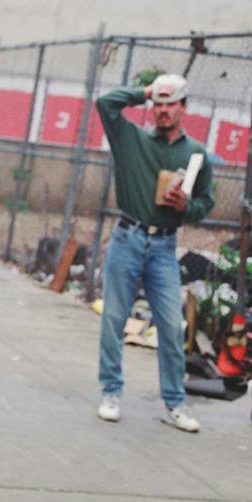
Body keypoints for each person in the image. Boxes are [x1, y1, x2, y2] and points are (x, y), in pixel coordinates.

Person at [93, 72, 214, 433]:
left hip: (164, 245)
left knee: (171, 327)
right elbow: (105, 103)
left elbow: (206, 202)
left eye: (170, 104)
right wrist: (145, 91)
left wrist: (185, 207)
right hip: (128, 238)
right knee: (114, 319)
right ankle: (111, 393)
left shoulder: (195, 154)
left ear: (184, 108)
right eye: (158, 104)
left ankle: (174, 403)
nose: (163, 111)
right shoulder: (130, 139)